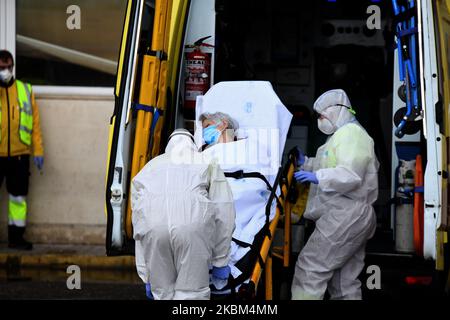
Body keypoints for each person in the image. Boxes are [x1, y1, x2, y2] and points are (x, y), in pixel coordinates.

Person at [291, 89, 379, 300]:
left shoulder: (351, 134)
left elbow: (350, 174)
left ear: (334, 112)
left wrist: (317, 176)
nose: (320, 121)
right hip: (351, 214)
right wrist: (309, 164)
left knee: (310, 268)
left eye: (322, 116)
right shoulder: (341, 136)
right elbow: (332, 163)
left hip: (345, 214)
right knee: (343, 281)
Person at [131, 129, 236, 300]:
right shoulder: (206, 162)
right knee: (191, 295)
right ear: (193, 144)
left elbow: (139, 221)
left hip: (154, 230)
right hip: (192, 229)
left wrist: (146, 273)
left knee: (162, 295)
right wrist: (220, 260)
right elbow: (224, 212)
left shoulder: (148, 168)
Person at [0, 50, 44, 250]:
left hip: (19, 156)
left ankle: (16, 238)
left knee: (18, 198)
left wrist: (38, 151)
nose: (6, 71)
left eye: (9, 67)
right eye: (2, 68)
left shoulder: (24, 90)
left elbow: (35, 124)